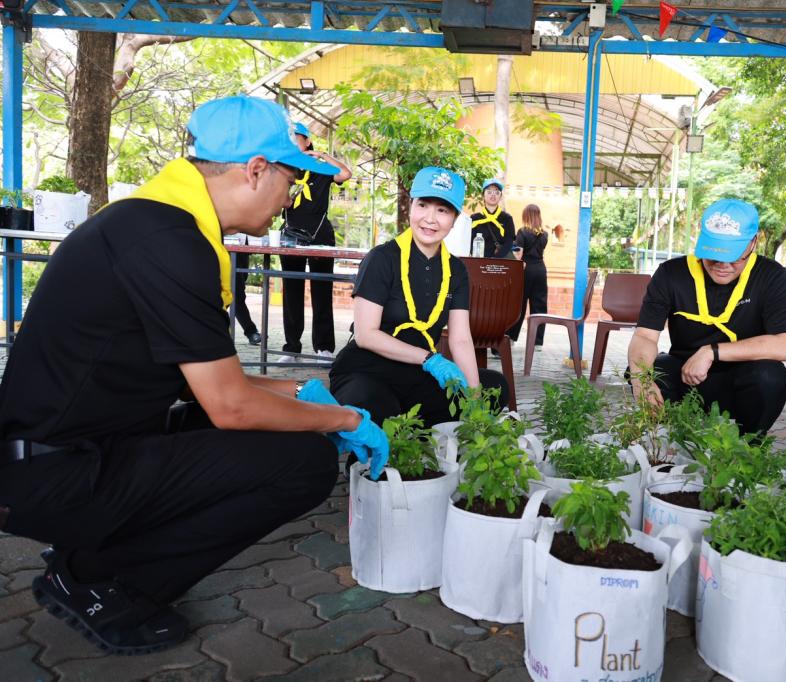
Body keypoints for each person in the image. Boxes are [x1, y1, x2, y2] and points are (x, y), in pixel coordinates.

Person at [0, 96, 389, 655]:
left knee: (267, 432)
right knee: (301, 465)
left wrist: (300, 394)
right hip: (55, 471)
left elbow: (203, 381)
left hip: (69, 452)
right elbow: (229, 405)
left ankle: (88, 549)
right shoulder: (168, 241)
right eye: (293, 179)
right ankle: (98, 578)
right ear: (256, 170)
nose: (292, 199)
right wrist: (341, 416)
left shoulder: (159, 221)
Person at [330, 166, 509, 427]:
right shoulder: (382, 258)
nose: (430, 218)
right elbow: (366, 335)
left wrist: (474, 397)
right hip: (366, 372)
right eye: (423, 205)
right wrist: (428, 358)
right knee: (376, 408)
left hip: (416, 376)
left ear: (455, 218)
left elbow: (460, 339)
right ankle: (402, 428)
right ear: (411, 207)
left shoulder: (457, 271)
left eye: (442, 210)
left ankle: (415, 426)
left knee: (495, 386)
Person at [627, 198, 786, 436]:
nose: (722, 265)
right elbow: (645, 335)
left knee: (770, 377)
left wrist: (711, 351)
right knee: (652, 370)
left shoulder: (770, 275)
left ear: (753, 242)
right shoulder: (671, 273)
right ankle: (667, 444)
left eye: (733, 255)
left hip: (741, 379)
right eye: (714, 254)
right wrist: (641, 382)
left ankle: (747, 448)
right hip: (685, 375)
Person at [280, 121, 351, 362]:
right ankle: (291, 347)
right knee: (291, 291)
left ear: (307, 140)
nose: (293, 142)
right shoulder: (283, 169)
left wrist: (322, 155)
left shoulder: (320, 168)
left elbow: (345, 174)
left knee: (321, 290)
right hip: (291, 234)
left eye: (297, 138)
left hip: (320, 234)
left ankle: (324, 348)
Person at [507, 203, 549, 348]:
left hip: (525, 270)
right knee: (540, 306)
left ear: (526, 216)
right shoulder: (545, 234)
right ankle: (538, 343)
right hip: (541, 270)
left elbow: (518, 254)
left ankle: (511, 338)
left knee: (519, 305)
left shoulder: (522, 232)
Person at [470, 177, 515, 258]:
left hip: (499, 264)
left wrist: (495, 259)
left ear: (500, 196)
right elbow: (469, 241)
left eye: (497, 192)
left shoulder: (507, 218)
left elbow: (509, 242)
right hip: (478, 262)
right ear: (483, 195)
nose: (493, 194)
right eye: (489, 192)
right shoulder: (474, 218)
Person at [232, 252, 261, 345]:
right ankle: (251, 332)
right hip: (225, 246)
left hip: (242, 249)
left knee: (238, 293)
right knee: (236, 293)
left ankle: (251, 332)